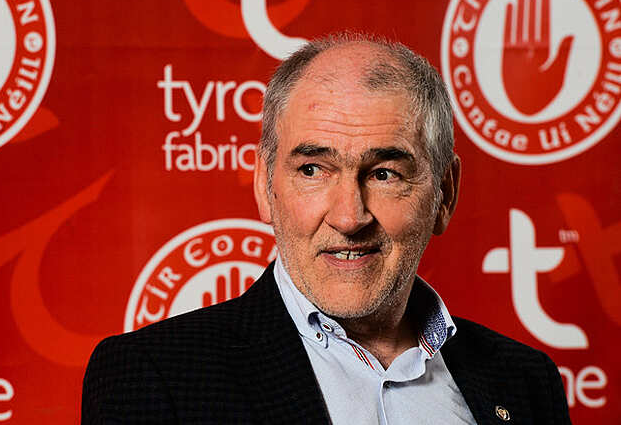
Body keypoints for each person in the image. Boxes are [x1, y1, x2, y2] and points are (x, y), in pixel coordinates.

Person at [81, 33, 571, 424]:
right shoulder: (153, 377)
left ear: (444, 193)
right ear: (264, 186)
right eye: (313, 169)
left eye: (384, 174)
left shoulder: (525, 382)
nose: (348, 216)